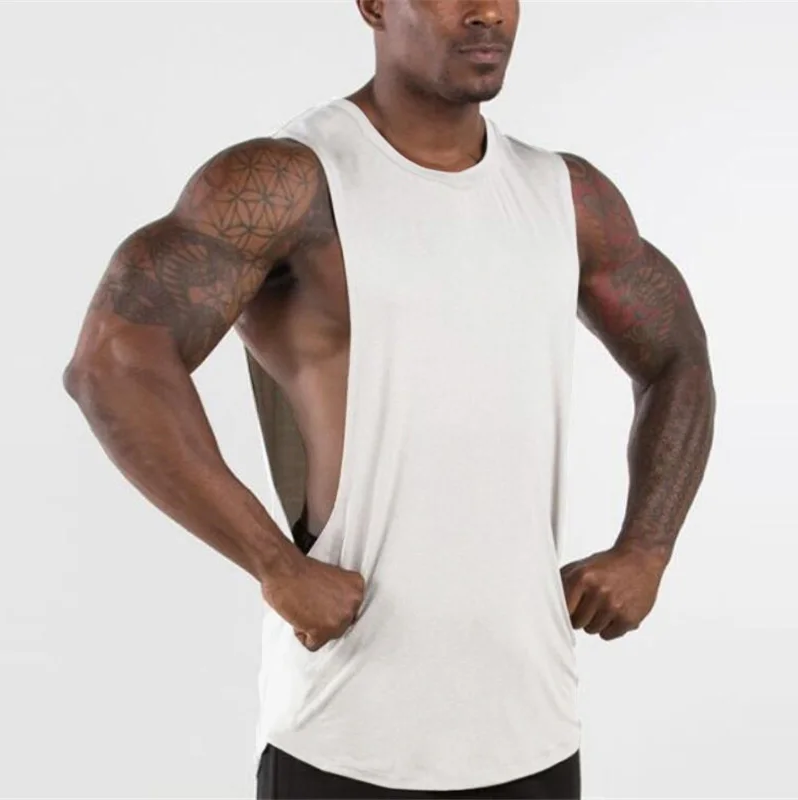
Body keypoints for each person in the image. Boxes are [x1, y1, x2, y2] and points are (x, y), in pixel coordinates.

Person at [63, 1, 716, 798]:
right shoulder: (289, 183)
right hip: (345, 737)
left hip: (534, 730)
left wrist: (647, 547)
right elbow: (115, 362)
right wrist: (273, 563)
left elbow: (678, 358)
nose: (486, 12)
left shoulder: (565, 196)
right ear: (373, 4)